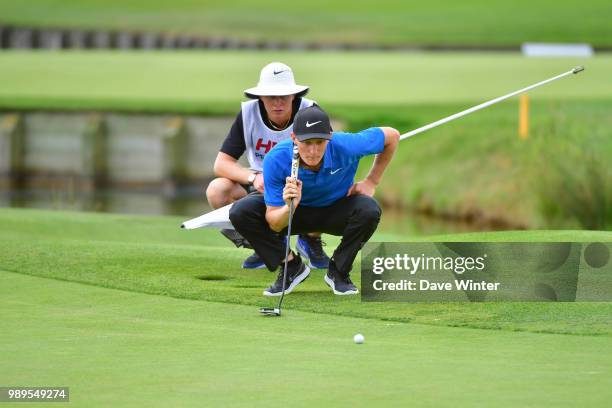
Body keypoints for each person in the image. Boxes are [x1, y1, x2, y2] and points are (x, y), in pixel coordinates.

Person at [229, 106, 399, 296]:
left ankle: (339, 272)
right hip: (295, 214)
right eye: (307, 142)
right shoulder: (276, 159)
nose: (313, 150)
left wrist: (371, 181)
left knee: (369, 210)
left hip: (334, 209)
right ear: (294, 138)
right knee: (241, 212)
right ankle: (291, 267)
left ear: (330, 136)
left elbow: (391, 136)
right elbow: (275, 225)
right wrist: (288, 207)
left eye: (320, 142)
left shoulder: (347, 145)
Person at [206, 62, 330, 269]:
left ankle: (310, 240)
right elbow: (221, 164)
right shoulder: (248, 113)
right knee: (217, 190)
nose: (278, 102)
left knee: (329, 184)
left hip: (302, 180)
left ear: (294, 95)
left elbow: (326, 155)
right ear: (260, 97)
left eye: (284, 96)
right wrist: (253, 178)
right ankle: (266, 244)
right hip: (260, 180)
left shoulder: (311, 112)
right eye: (271, 96)